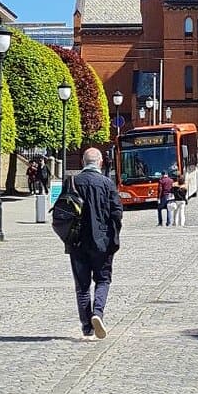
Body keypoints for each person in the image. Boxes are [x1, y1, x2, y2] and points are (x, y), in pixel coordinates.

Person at [67, 146, 123, 340]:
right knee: (103, 280)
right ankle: (97, 313)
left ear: (83, 162)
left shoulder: (72, 182)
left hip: (77, 243)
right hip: (102, 242)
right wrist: (113, 237)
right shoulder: (107, 184)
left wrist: (67, 237)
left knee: (82, 286)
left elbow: (62, 213)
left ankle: (87, 327)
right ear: (100, 163)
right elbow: (117, 213)